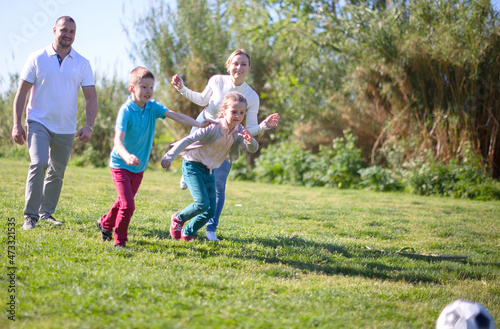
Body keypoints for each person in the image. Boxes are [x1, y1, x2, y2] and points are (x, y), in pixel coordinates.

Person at [96, 67, 215, 248]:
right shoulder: (126, 111)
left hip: (139, 167)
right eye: (144, 87)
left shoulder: (153, 107)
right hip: (121, 164)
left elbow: (175, 115)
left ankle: (105, 224)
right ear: (132, 88)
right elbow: (118, 141)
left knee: (123, 201)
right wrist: (127, 157)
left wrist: (197, 123)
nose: (148, 91)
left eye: (151, 87)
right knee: (128, 206)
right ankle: (119, 241)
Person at [171, 49, 280, 241]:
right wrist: (182, 89)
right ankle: (188, 173)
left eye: (243, 64)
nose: (239, 67)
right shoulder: (217, 80)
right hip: (205, 127)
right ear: (229, 65)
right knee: (191, 157)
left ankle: (211, 228)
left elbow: (250, 128)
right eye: (235, 63)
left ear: (249, 68)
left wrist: (265, 126)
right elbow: (202, 100)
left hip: (227, 138)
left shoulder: (252, 96)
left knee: (219, 185)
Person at [12, 16, 98, 231]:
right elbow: (22, 92)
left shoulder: (82, 63)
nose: (68, 34)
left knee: (57, 171)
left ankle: (46, 214)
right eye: (64, 30)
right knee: (39, 163)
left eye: (72, 31)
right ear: (54, 30)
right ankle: (30, 216)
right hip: (38, 121)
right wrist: (16, 124)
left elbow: (91, 97)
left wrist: (89, 125)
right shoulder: (37, 57)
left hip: (66, 127)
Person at [161, 91, 259, 242]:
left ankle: (188, 232)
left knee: (210, 210)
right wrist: (170, 156)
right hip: (192, 165)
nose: (238, 116)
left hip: (209, 170)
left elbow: (253, 149)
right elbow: (189, 139)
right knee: (202, 203)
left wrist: (250, 141)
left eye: (242, 112)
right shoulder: (213, 126)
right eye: (234, 111)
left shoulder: (239, 131)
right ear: (224, 111)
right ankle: (178, 218)